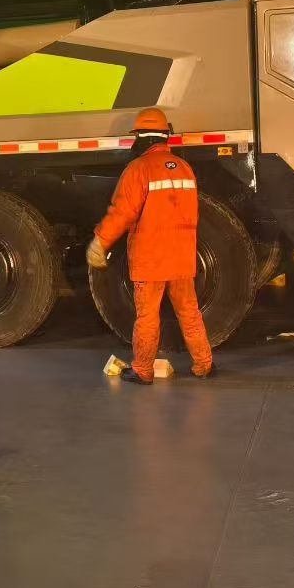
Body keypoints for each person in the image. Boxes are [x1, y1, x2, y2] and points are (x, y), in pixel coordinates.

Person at [86, 107, 213, 383]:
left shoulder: (139, 169)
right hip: (181, 257)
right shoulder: (184, 167)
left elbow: (122, 212)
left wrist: (100, 242)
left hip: (151, 258)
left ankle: (143, 370)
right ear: (165, 136)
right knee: (189, 311)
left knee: (147, 317)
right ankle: (203, 364)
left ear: (142, 137)